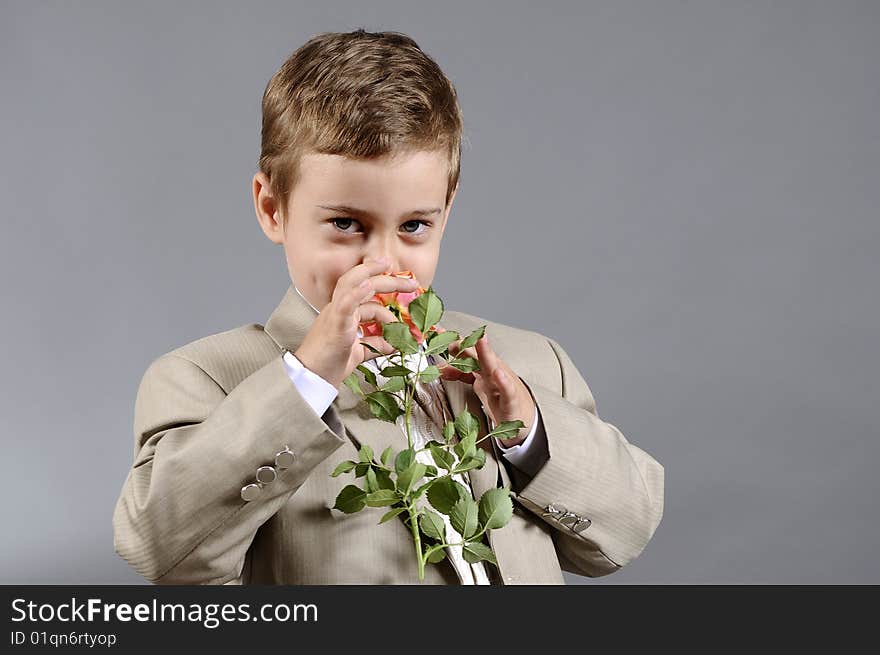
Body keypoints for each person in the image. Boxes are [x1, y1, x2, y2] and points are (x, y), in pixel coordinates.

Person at [112, 29, 664, 585]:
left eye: (414, 226)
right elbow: (160, 551)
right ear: (272, 208)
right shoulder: (203, 380)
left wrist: (529, 435)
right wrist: (305, 383)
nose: (383, 262)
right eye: (346, 224)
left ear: (447, 210)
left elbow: (626, 532)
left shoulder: (537, 362)